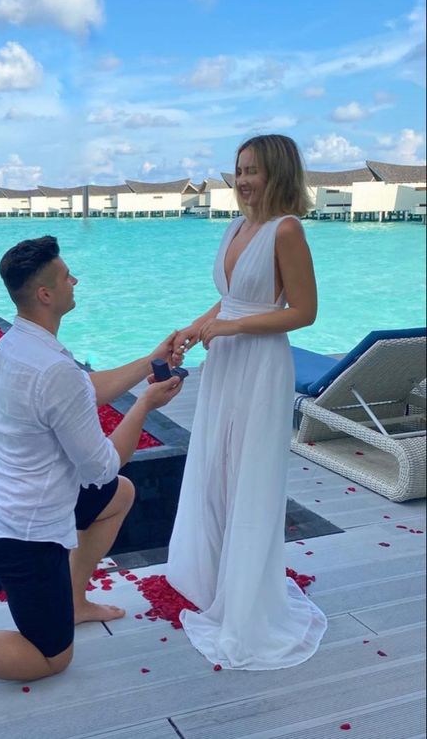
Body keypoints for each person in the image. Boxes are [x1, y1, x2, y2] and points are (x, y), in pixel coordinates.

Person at [0, 235, 183, 707]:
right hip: (22, 532)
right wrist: (145, 403)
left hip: (8, 503)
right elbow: (103, 464)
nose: (74, 280)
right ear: (45, 294)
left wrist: (153, 360)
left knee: (119, 495)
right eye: (66, 275)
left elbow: (85, 390)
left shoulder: (16, 342)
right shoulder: (52, 368)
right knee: (51, 657)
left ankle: (74, 600)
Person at [166, 133, 327, 670]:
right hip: (226, 360)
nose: (243, 179)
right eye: (238, 169)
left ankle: (248, 600)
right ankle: (214, 577)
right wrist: (197, 326)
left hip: (260, 365)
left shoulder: (287, 230)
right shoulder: (238, 225)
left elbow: (303, 312)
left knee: (249, 472)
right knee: (216, 465)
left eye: (253, 169)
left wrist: (233, 326)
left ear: (278, 172)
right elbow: (232, 295)